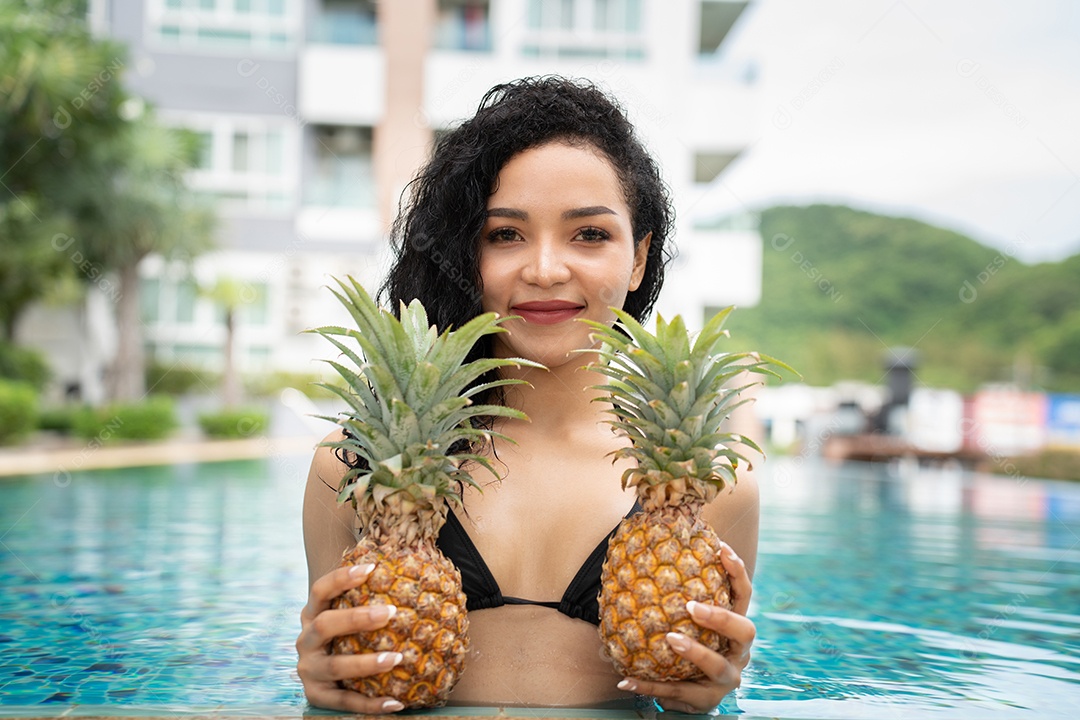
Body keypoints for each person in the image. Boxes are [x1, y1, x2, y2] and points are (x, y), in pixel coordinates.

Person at [295, 76, 758, 714]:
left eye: (589, 234)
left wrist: (712, 691)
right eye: (504, 235)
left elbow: (713, 695)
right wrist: (322, 686)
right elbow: (335, 688)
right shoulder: (352, 468)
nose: (544, 269)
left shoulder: (710, 484)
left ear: (639, 257)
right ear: (467, 253)